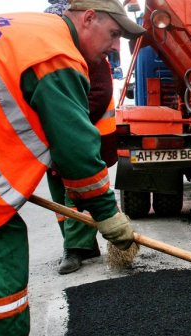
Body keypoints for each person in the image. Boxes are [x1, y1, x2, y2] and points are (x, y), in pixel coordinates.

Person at [0, 1, 144, 336]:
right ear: (89, 17)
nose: (114, 46)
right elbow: (76, 151)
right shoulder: (56, 55)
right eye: (113, 34)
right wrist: (108, 216)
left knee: (1, 252)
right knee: (0, 264)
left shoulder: (32, 31)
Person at [44, 0, 120, 275]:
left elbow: (98, 93)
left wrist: (68, 124)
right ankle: (82, 243)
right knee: (58, 194)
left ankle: (74, 248)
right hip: (54, 135)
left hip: (85, 134)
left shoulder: (87, 52)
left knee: (76, 189)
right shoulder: (52, 51)